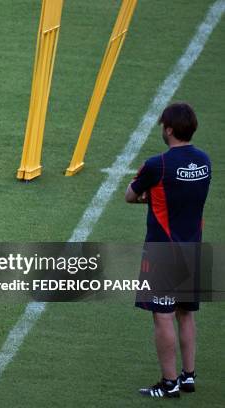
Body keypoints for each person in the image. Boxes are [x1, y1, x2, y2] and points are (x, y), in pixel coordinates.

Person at [125, 102, 211, 398]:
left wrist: (149, 195)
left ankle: (169, 382)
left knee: (163, 316)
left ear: (169, 129)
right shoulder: (204, 161)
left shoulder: (157, 165)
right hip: (193, 249)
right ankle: (188, 376)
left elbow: (129, 195)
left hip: (163, 252)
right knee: (186, 314)